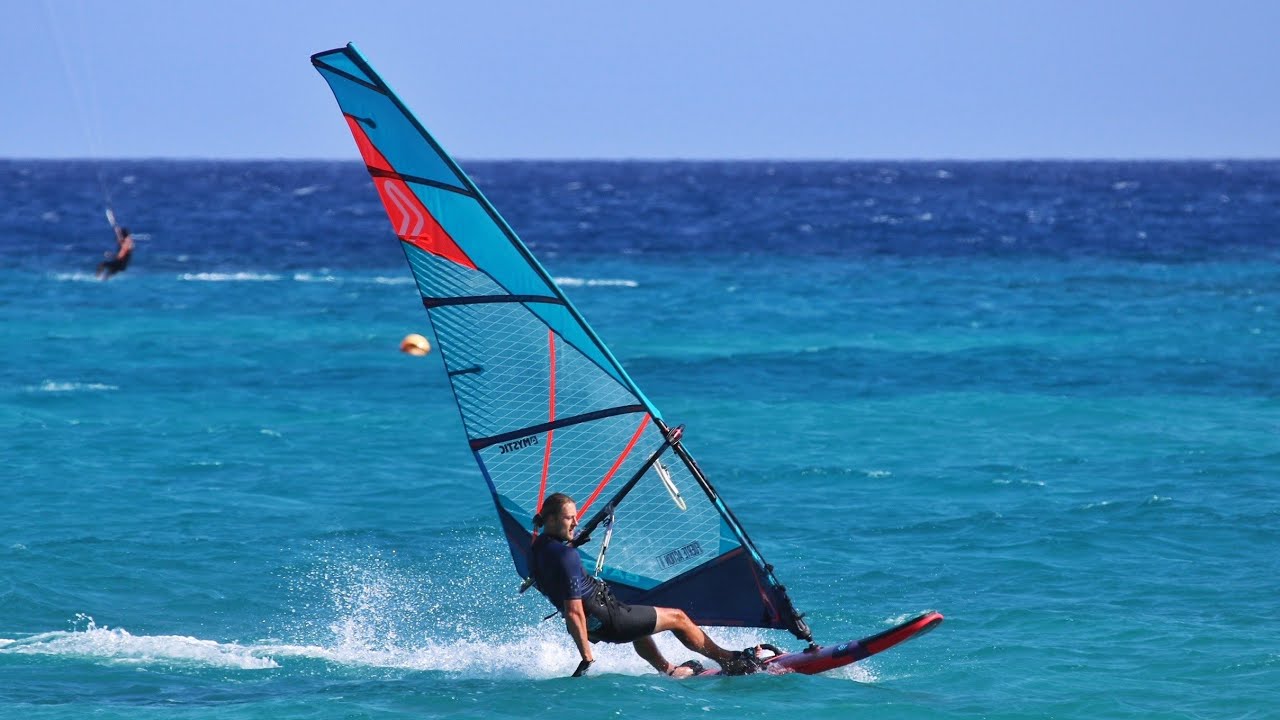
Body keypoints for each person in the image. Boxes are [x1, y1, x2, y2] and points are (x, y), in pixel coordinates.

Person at [528, 492, 767, 678]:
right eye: (570, 518)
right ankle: (729, 660)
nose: (576, 522)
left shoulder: (536, 551)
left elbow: (557, 582)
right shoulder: (566, 557)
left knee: (639, 624)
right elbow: (573, 610)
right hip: (608, 618)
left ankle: (669, 670)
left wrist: (567, 546)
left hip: (595, 623)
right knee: (678, 617)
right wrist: (586, 656)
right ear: (551, 519)